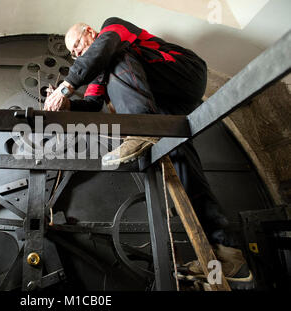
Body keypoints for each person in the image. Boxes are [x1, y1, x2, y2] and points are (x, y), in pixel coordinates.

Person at [44, 17, 254, 289]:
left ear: (90, 32)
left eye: (77, 46)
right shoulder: (100, 72)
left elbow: (105, 48)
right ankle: (228, 255)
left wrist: (65, 87)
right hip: (164, 104)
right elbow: (93, 104)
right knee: (182, 161)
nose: (77, 54)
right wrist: (67, 107)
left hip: (185, 73)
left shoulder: (112, 29)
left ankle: (143, 128)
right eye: (73, 54)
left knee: (115, 55)